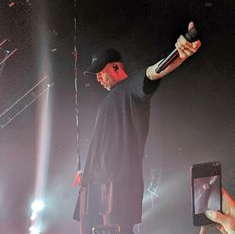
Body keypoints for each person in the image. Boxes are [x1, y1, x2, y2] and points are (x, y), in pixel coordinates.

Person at [73, 22, 201, 234]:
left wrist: (179, 54)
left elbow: (154, 72)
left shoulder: (130, 87)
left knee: (118, 229)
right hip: (95, 185)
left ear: (115, 67)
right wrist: (86, 174)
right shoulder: (110, 99)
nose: (97, 79)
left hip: (118, 183)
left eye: (100, 72)